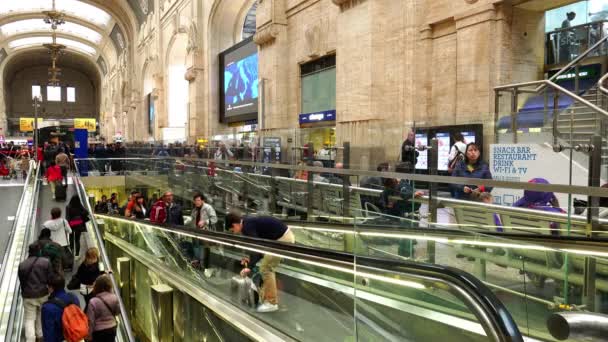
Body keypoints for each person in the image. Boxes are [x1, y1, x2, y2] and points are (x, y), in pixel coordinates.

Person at [226, 212, 295, 313]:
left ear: (235, 224)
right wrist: (250, 260)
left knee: (266, 268)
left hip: (283, 239)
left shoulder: (247, 226)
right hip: (277, 240)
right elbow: (256, 245)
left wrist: (248, 267)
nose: (235, 232)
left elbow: (257, 249)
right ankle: (265, 298)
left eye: (233, 230)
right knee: (264, 266)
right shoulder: (246, 222)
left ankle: (271, 303)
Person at [19, 243, 52, 342]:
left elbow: (22, 281)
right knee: (40, 315)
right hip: (43, 293)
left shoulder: (22, 265)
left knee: (29, 319)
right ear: (39, 251)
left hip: (28, 296)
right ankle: (40, 336)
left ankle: (30, 339)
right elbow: (50, 278)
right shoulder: (46, 262)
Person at [41, 274, 80, 342]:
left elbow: (49, 333)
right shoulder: (73, 297)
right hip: (76, 336)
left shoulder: (47, 307)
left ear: (51, 288)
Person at [189, 193, 218, 277]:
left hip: (205, 233)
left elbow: (214, 219)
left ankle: (202, 266)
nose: (196, 202)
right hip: (195, 233)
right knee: (196, 247)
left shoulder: (208, 208)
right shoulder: (194, 210)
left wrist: (205, 221)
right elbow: (192, 219)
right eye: (195, 201)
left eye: (198, 200)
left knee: (203, 248)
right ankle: (198, 264)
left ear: (202, 200)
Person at [86, 275, 119, 341]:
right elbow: (117, 312)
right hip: (112, 329)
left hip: (98, 332)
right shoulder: (114, 298)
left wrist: (89, 335)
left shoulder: (93, 302)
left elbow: (91, 321)